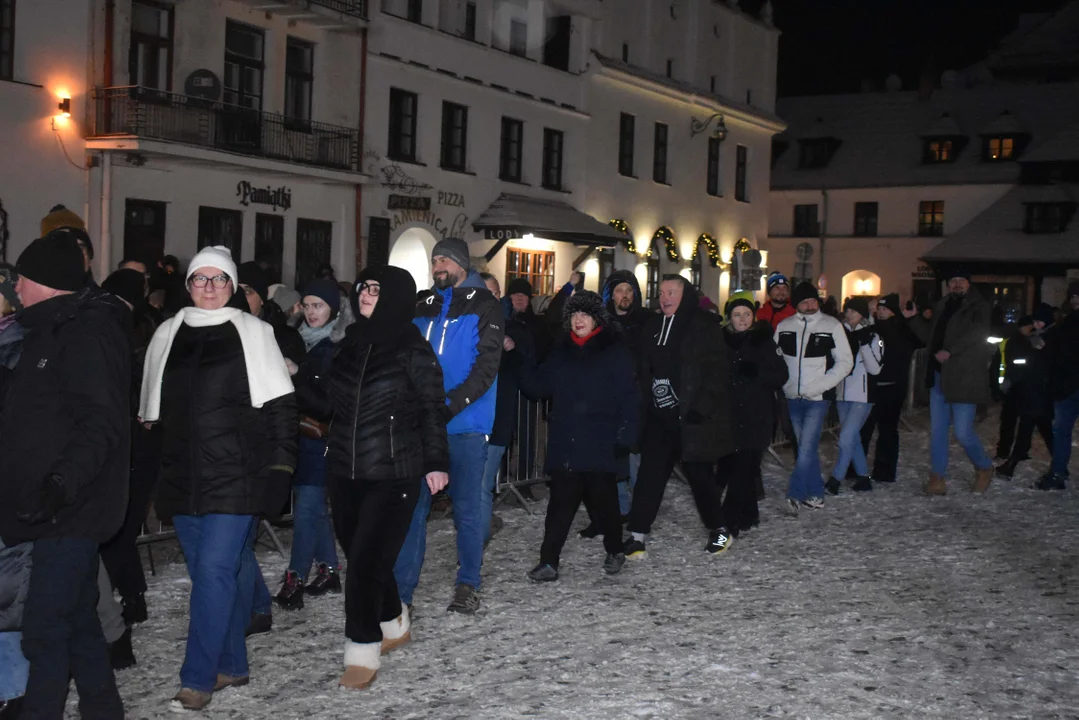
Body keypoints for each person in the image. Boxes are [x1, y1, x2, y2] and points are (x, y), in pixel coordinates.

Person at [139, 246, 297, 712]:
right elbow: (152, 412)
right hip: (182, 476)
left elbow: (281, 408)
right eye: (200, 278)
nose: (209, 287)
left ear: (231, 285)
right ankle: (232, 664)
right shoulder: (167, 333)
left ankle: (197, 678)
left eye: (219, 279)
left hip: (237, 474)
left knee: (212, 573)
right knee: (213, 575)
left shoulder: (254, 332)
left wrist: (281, 470)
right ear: (188, 284)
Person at [297, 265, 449, 689]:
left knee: (364, 565)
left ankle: (362, 652)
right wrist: (293, 379)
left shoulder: (412, 348)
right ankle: (394, 621)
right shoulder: (349, 345)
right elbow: (327, 406)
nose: (364, 294)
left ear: (395, 296)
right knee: (365, 557)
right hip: (345, 470)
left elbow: (432, 409)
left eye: (376, 289)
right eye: (363, 287)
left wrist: (437, 461)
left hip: (394, 472)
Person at [0, 231, 131, 719]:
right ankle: (103, 709)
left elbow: (100, 422)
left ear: (47, 282)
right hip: (47, 506)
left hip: (71, 507)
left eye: (22, 278)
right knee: (77, 621)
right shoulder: (46, 329)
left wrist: (60, 484)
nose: (15, 287)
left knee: (45, 629)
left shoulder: (83, 333)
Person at [395, 237, 503, 615]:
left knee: (467, 509)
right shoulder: (422, 304)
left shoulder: (485, 305)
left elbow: (485, 367)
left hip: (466, 424)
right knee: (414, 509)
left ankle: (468, 583)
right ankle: (401, 593)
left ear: (461, 264)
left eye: (444, 259)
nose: (437, 265)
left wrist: (448, 406)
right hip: (423, 424)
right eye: (434, 260)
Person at [518, 291, 638, 580]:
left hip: (600, 442)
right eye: (574, 314)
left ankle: (615, 550)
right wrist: (518, 357)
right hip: (566, 443)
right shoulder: (561, 351)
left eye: (584, 314)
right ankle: (548, 562)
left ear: (597, 319)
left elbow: (631, 398)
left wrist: (626, 436)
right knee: (559, 507)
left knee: (605, 504)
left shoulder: (614, 352)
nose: (578, 319)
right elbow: (539, 387)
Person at [624, 275, 734, 558]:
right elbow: (642, 367)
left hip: (691, 419)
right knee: (650, 476)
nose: (665, 298)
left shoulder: (704, 326)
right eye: (662, 293)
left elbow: (718, 372)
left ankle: (720, 530)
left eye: (672, 292)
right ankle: (637, 535)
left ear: (685, 296)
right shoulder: (653, 325)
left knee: (700, 478)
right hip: (657, 417)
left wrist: (700, 408)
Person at [275, 279, 345, 610]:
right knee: (313, 509)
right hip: (297, 437)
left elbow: (327, 404)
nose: (311, 312)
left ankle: (296, 577)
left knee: (306, 509)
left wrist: (295, 374)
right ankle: (329, 569)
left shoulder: (336, 346)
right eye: (307, 305)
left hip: (322, 439)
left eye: (319, 305)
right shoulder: (299, 340)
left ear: (333, 309)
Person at [908, 269, 994, 495]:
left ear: (968, 283)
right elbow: (931, 338)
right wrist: (913, 319)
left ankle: (984, 467)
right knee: (938, 431)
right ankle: (937, 478)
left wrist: (950, 351)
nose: (956, 284)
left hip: (964, 377)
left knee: (963, 432)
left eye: (961, 280)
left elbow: (977, 333)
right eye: (953, 280)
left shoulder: (979, 306)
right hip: (939, 375)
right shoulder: (942, 305)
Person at [775, 282, 854, 514]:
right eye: (804, 301)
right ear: (796, 304)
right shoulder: (784, 326)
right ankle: (816, 494)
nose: (810, 305)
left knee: (806, 447)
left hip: (818, 398)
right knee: (804, 448)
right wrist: (783, 384)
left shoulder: (832, 326)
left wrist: (822, 385)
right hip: (792, 395)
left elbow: (845, 362)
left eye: (813, 300)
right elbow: (776, 359)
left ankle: (795, 494)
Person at [719, 292, 788, 540]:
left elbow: (781, 375)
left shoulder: (764, 341)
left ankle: (728, 520)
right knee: (743, 466)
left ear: (754, 316)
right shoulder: (722, 342)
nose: (742, 319)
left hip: (758, 415)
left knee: (745, 466)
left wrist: (756, 373)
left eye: (747, 314)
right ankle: (749, 514)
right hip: (730, 416)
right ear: (729, 318)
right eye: (737, 315)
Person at [478, 273, 529, 545]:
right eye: (487, 292)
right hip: (463, 425)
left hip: (495, 423)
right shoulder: (458, 329)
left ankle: (477, 541)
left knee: (481, 485)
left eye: (496, 294)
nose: (493, 299)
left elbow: (524, 368)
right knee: (471, 487)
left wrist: (513, 349)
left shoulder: (508, 329)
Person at [860, 293, 923, 483]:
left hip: (893, 386)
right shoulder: (876, 328)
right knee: (865, 428)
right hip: (873, 386)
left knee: (887, 430)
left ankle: (884, 470)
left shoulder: (900, 329)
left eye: (884, 309)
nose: (880, 312)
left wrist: (910, 319)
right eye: (879, 309)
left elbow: (912, 342)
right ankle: (857, 467)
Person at [827, 297, 883, 494]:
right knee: (853, 438)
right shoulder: (840, 333)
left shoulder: (873, 335)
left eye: (853, 311)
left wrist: (864, 344)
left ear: (862, 314)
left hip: (863, 394)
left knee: (845, 438)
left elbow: (875, 369)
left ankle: (836, 479)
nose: (849, 314)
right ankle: (863, 477)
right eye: (847, 310)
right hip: (843, 392)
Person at [997, 306, 1055, 479]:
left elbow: (1039, 364)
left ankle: (1011, 465)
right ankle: (1059, 465)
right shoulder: (1038, 337)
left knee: (1031, 429)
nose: (1035, 324)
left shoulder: (1048, 338)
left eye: (1038, 321)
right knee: (1037, 430)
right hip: (1034, 392)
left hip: (1038, 392)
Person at [1040, 282, 1079, 490]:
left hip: (1067, 385)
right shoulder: (1066, 322)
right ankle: (1057, 472)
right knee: (1061, 431)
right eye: (1073, 296)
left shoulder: (1067, 323)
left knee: (1061, 431)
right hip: (1066, 386)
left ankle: (1058, 472)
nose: (1076, 300)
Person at [238, 262, 306, 368]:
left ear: (261, 299)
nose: (240, 297)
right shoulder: (221, 330)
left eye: (247, 292)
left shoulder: (287, 339)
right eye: (236, 291)